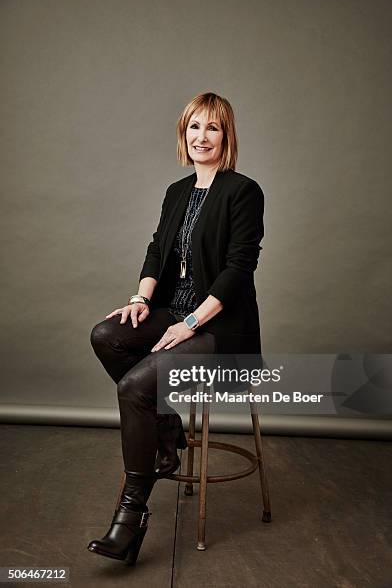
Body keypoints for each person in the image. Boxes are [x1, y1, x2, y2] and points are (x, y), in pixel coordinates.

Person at [87, 92, 265, 565]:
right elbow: (155, 250)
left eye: (212, 128)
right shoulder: (176, 192)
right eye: (193, 127)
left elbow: (239, 268)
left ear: (226, 136)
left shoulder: (243, 191)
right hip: (172, 310)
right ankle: (168, 434)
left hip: (219, 329)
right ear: (183, 135)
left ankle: (131, 516)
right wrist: (141, 298)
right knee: (106, 336)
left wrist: (189, 322)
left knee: (134, 388)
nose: (201, 137)